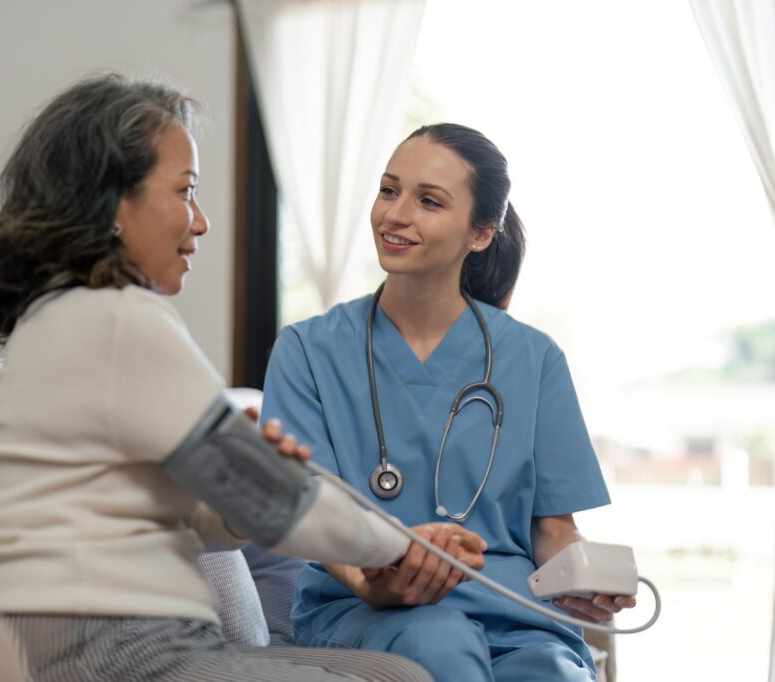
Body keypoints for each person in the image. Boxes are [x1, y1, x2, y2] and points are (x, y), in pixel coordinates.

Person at [0, 74, 461, 682]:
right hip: (100, 646)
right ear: (111, 201)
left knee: (396, 674)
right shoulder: (118, 320)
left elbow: (207, 513)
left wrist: (245, 492)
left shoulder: (65, 319)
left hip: (117, 636)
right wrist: (404, 544)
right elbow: (283, 506)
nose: (200, 222)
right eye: (185, 191)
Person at [259, 123, 636, 681]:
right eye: (389, 190)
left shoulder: (534, 359)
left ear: (480, 233)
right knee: (441, 642)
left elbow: (553, 528)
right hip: (362, 608)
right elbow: (304, 508)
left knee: (556, 672)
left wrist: (584, 574)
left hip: (514, 611)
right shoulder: (307, 351)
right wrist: (373, 579)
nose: (395, 214)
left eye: (428, 201)